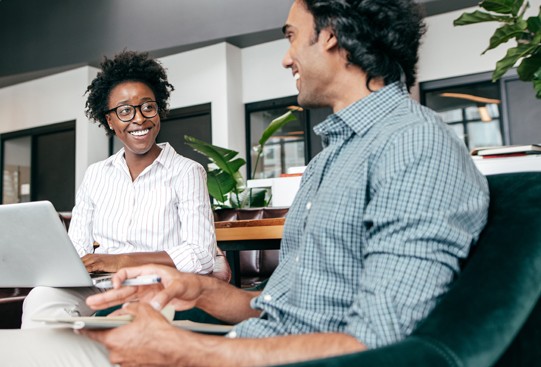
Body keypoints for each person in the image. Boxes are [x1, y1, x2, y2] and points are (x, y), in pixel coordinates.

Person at [1, 0, 489, 365]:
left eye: (291, 36)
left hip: (254, 357)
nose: (285, 57)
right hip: (249, 343)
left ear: (333, 36)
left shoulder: (412, 146)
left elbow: (380, 343)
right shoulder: (332, 160)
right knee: (25, 346)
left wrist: (184, 349)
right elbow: (284, 306)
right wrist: (196, 290)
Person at [20, 50, 217, 328]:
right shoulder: (96, 174)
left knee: (123, 316)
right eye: (125, 111)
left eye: (147, 106)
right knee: (42, 299)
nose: (138, 119)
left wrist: (121, 261)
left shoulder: (187, 172)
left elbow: (201, 254)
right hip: (100, 285)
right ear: (110, 120)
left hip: (157, 286)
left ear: (158, 109)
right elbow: (78, 246)